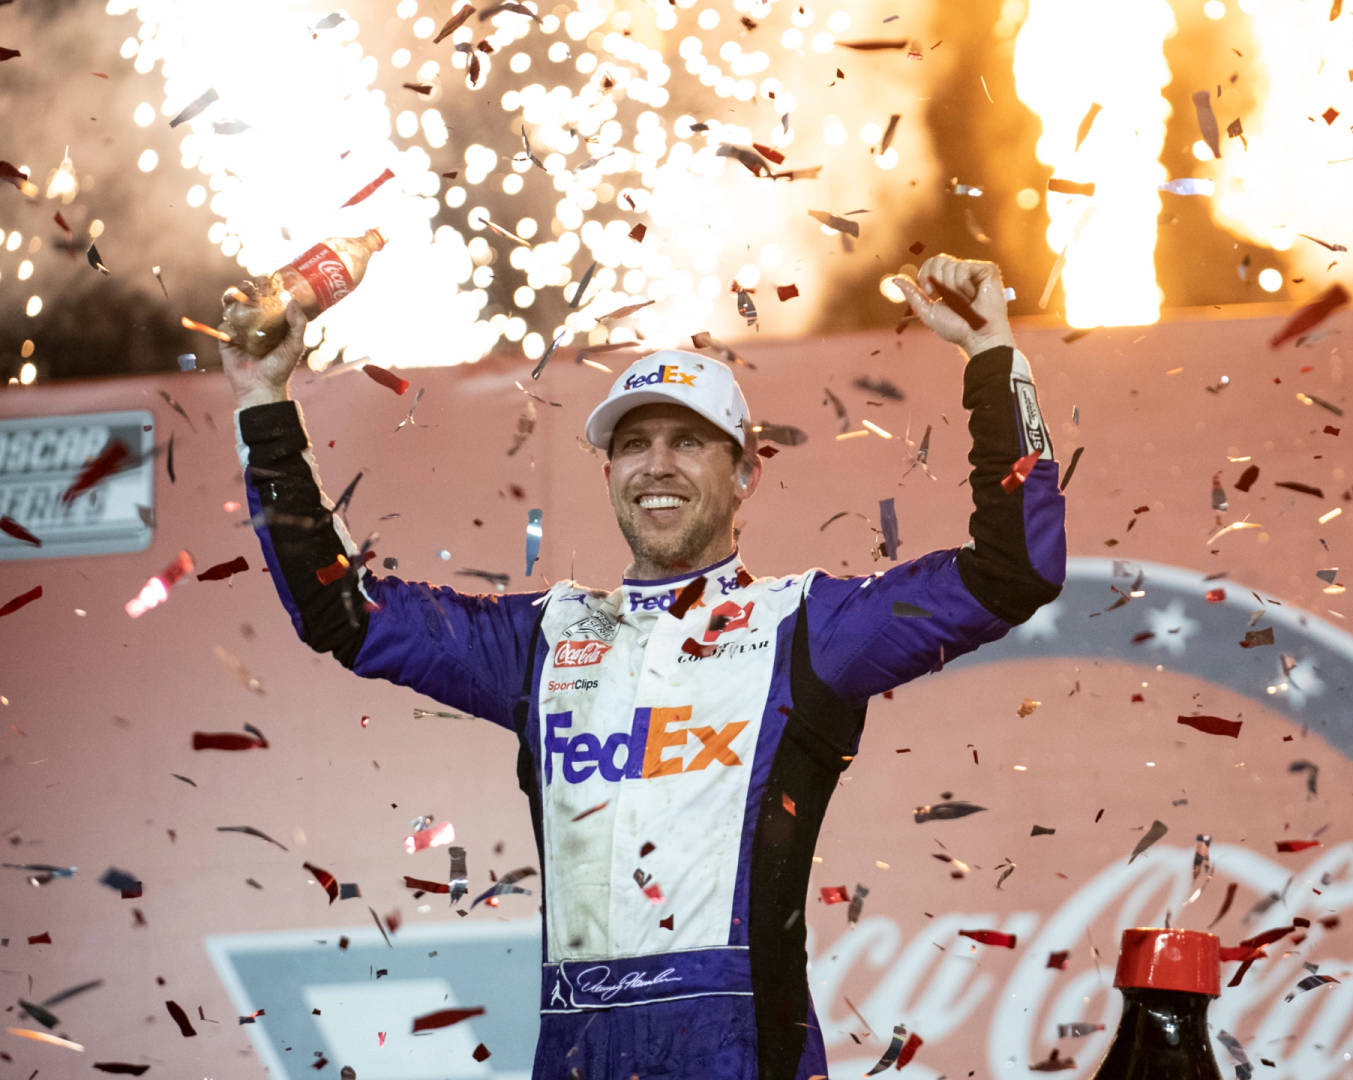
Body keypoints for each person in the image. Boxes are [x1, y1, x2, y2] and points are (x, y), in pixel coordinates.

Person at [222, 255, 1066, 1080]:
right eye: (634, 445)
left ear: (746, 472)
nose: (656, 465)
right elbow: (344, 612)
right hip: (578, 1051)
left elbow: (1012, 571)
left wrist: (992, 357)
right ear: (610, 473)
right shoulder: (543, 639)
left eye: (689, 442)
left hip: (738, 1047)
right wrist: (264, 399)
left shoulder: (809, 627)